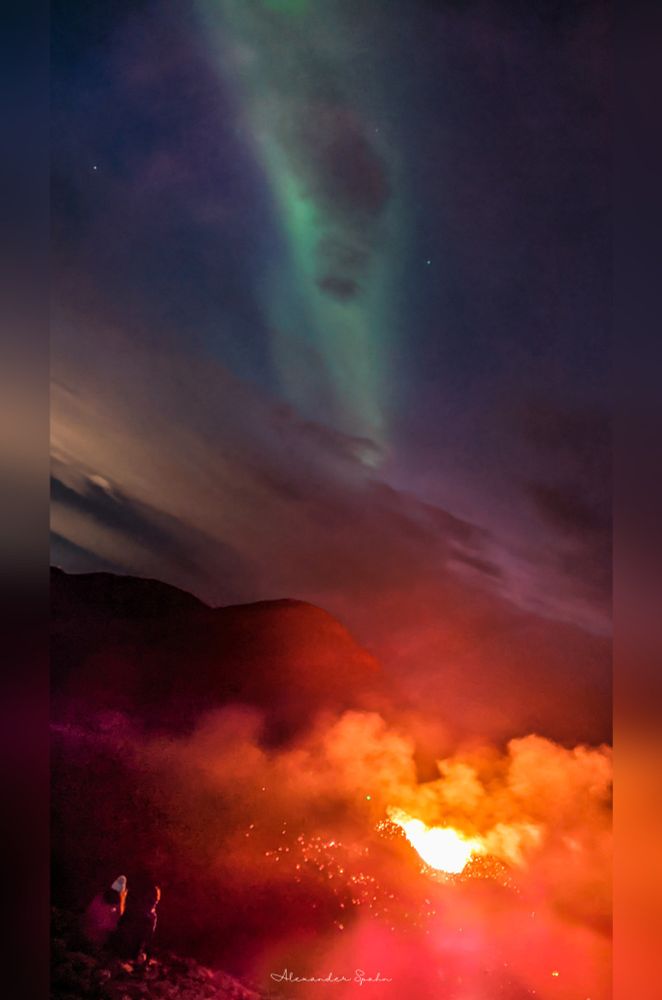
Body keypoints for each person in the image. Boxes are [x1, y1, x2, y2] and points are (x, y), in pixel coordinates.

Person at [112, 876, 161, 964]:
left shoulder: (151, 917)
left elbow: (148, 940)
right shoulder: (133, 912)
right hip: (121, 951)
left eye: (155, 902)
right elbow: (120, 930)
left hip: (132, 954)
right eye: (150, 901)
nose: (153, 904)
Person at [82, 875, 127, 948]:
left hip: (89, 932)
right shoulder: (117, 906)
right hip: (98, 936)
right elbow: (112, 924)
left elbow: (89, 912)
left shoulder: (99, 897)